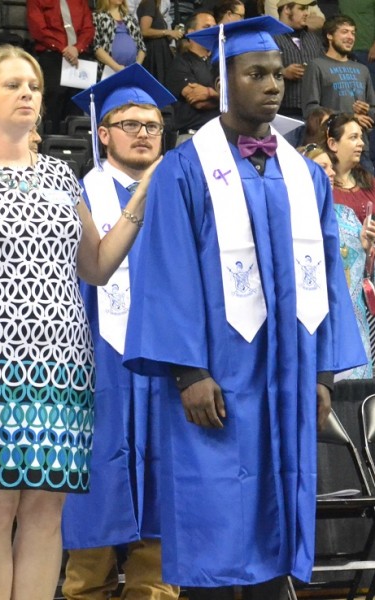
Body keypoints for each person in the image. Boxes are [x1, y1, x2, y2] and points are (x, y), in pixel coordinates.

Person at [123, 16, 365, 600]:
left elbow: (327, 276)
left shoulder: (304, 175)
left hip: (289, 372)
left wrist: (323, 373)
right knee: (214, 510)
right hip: (218, 374)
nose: (272, 85)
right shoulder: (185, 169)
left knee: (280, 507)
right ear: (224, 83)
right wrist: (188, 372)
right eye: (256, 74)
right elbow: (167, 269)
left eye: (277, 74)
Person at [0, 44, 154, 600]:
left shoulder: (62, 177)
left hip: (63, 366)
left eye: (34, 86)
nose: (26, 93)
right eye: (12, 84)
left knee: (47, 509)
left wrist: (141, 197)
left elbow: (96, 267)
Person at [60, 63, 179, 600]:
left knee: (165, 492)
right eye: (130, 124)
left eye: (152, 125)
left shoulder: (183, 192)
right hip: (96, 367)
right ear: (103, 133)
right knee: (94, 490)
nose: (143, 134)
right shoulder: (75, 195)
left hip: (168, 365)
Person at [302, 141, 375, 378]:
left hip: (353, 321)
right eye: (322, 167)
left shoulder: (346, 214)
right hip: (315, 320)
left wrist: (367, 248)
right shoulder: (293, 218)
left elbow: (363, 275)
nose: (332, 172)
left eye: (331, 166)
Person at [301, 15, 375, 170]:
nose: (350, 37)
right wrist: (351, 116)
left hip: (361, 148)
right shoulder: (316, 66)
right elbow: (310, 110)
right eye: (344, 32)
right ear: (329, 35)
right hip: (330, 148)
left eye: (353, 33)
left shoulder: (362, 69)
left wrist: (367, 110)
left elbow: (372, 111)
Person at [27, 0, 94, 133]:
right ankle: (51, 139)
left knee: (78, 103)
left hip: (79, 56)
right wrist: (63, 48)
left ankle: (76, 141)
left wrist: (77, 48)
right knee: (54, 101)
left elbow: (88, 28)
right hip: (53, 55)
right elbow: (39, 29)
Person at [165, 10, 219, 146]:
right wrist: (225, 99)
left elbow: (237, 99)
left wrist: (210, 93)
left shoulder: (220, 63)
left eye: (215, 27)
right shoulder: (180, 63)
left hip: (220, 136)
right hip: (191, 138)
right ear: (191, 32)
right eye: (206, 27)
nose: (213, 31)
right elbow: (198, 101)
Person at [274, 0, 324, 126]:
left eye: (307, 9)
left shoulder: (313, 39)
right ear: (287, 9)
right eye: (301, 8)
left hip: (313, 114)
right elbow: (257, 70)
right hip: (282, 113)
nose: (307, 13)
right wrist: (283, 72)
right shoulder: (269, 37)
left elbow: (325, 68)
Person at [326, 112, 375, 221]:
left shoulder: (369, 181)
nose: (361, 143)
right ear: (332, 144)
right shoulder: (323, 184)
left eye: (361, 137)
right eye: (353, 137)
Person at [92, 0, 146, 78]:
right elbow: (96, 47)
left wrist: (137, 66)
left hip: (132, 73)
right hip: (107, 72)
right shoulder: (97, 17)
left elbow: (142, 47)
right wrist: (116, 67)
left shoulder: (130, 18)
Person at [137, 0, 182, 84]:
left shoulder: (156, 6)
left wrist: (171, 34)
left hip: (161, 53)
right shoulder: (149, 3)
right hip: (154, 55)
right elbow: (144, 31)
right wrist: (167, 32)